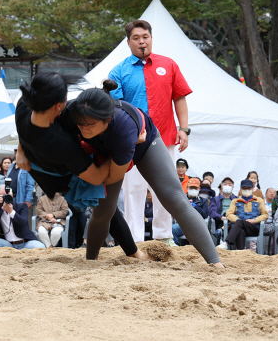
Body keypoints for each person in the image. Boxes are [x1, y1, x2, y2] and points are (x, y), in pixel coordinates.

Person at [67, 84, 222, 266]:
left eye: (90, 124)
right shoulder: (72, 110)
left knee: (175, 200)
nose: (84, 129)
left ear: (107, 119)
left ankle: (215, 262)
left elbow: (113, 176)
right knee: (103, 210)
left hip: (143, 144)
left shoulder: (124, 128)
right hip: (105, 150)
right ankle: (90, 260)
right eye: (80, 124)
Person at [14, 72, 148, 261]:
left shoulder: (25, 103)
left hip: (37, 162)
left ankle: (133, 252)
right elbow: (98, 177)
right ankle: (130, 253)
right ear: (57, 106)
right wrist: (125, 146)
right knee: (104, 206)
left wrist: (21, 150)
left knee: (107, 209)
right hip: (60, 175)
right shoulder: (61, 144)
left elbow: (22, 129)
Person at [108, 19, 192, 246]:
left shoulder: (169, 65)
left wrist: (184, 129)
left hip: (165, 137)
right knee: (133, 189)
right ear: (128, 43)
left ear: (151, 38)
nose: (141, 41)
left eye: (145, 37)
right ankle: (133, 239)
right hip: (133, 140)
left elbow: (179, 98)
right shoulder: (119, 71)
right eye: (136, 38)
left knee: (165, 188)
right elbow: (116, 108)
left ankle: (163, 236)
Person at [216, 179, 268, 251]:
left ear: (252, 189)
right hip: (239, 227)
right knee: (240, 230)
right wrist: (237, 220)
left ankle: (227, 242)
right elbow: (229, 214)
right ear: (241, 189)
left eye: (248, 188)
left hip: (253, 227)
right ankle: (241, 253)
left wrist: (254, 220)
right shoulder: (235, 201)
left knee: (240, 223)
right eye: (244, 188)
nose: (246, 190)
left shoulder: (259, 200)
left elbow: (265, 215)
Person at [173, 177, 208, 244]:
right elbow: (175, 212)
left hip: (197, 224)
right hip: (183, 224)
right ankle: (175, 248)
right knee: (172, 229)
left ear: (199, 189)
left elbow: (205, 214)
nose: (193, 190)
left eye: (195, 188)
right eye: (191, 188)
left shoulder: (203, 201)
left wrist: (195, 206)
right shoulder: (181, 199)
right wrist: (185, 205)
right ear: (187, 188)